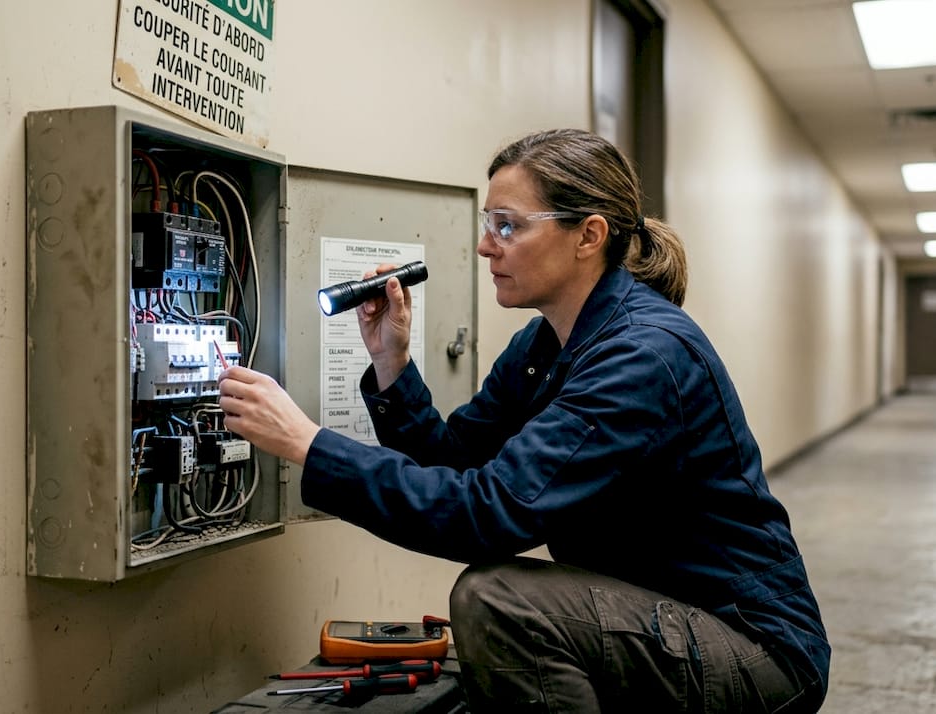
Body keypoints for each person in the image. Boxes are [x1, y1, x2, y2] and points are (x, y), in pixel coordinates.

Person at [218, 128, 830, 712]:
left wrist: (308, 444)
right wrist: (391, 363)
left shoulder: (643, 355)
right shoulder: (545, 346)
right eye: (489, 225)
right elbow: (454, 460)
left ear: (589, 235)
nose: (486, 246)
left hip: (752, 648)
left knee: (499, 599)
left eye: (508, 226)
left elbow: (488, 515)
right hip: (659, 614)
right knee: (501, 598)